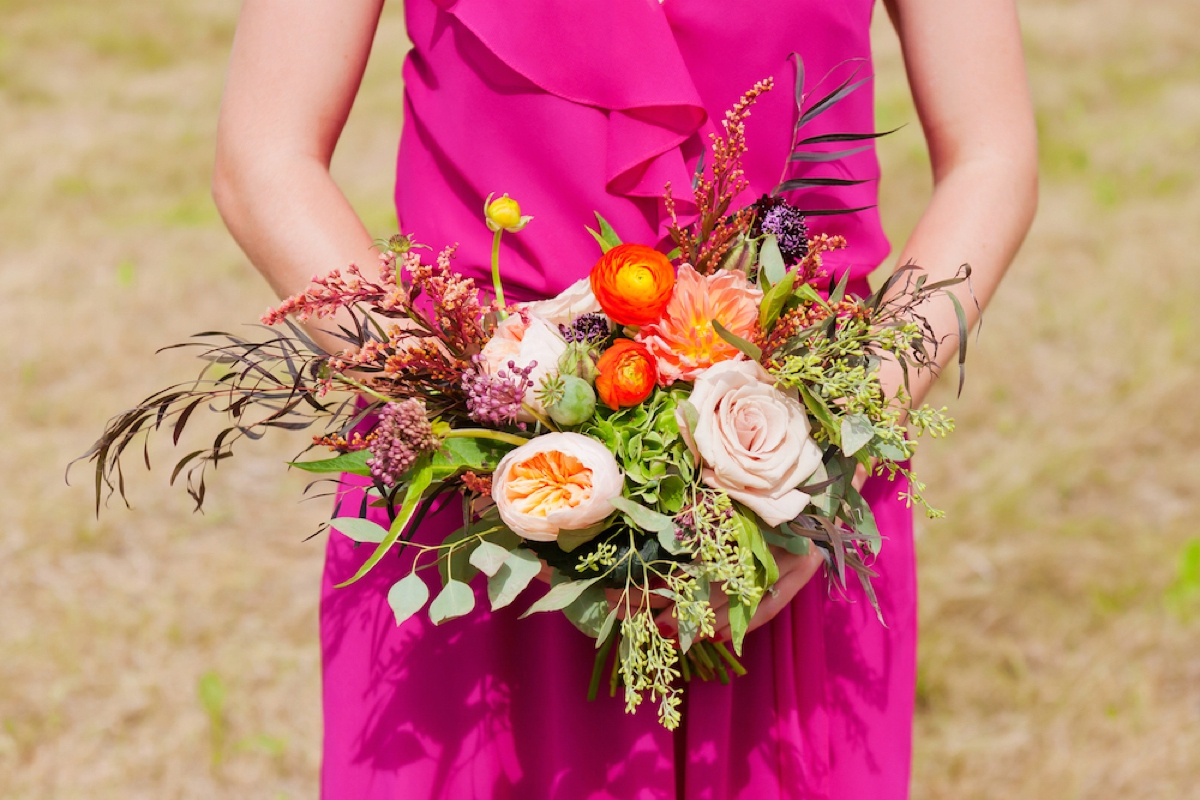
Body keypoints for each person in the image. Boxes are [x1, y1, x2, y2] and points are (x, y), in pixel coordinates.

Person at [212, 0, 1037, 797]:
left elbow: (990, 157)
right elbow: (264, 160)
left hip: (791, 488)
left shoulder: (806, 475)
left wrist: (826, 453)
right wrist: (474, 411)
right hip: (481, 498)